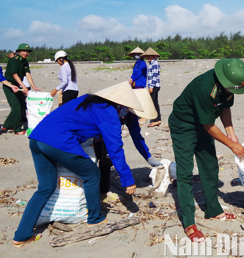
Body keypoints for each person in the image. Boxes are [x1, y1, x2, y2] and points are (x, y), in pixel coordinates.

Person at [12, 81, 151, 247]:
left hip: (36, 138)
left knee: (45, 188)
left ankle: (21, 235)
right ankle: (94, 218)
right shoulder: (108, 113)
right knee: (92, 174)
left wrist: (149, 157)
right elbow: (115, 150)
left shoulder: (90, 100)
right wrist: (127, 179)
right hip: (58, 141)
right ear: (122, 104)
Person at [169, 58, 244, 242]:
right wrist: (232, 145)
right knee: (185, 172)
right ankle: (189, 222)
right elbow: (208, 126)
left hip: (205, 122)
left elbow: (225, 108)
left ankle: (213, 210)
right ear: (224, 81)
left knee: (210, 165)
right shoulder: (205, 89)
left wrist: (232, 134)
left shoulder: (230, 85)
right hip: (184, 125)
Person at [94, 87, 162, 200]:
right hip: (95, 132)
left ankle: (103, 190)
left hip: (110, 136)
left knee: (107, 160)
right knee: (92, 159)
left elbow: (137, 138)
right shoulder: (110, 105)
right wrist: (127, 180)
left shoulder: (131, 115)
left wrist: (149, 158)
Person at [2, 43, 41, 135]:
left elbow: (28, 74)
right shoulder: (14, 60)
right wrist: (23, 86)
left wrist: (33, 86)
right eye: (24, 51)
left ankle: (7, 125)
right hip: (9, 86)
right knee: (16, 107)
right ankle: (17, 129)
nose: (26, 53)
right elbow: (14, 75)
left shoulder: (24, 61)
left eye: (27, 51)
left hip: (17, 86)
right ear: (19, 51)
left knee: (21, 105)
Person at [142, 47, 161, 127]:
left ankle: (155, 119)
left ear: (154, 56)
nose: (149, 58)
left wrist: (151, 87)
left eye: (151, 56)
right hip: (152, 86)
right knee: (155, 103)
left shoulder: (155, 64)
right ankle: (157, 119)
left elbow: (155, 77)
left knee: (152, 103)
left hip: (155, 86)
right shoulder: (151, 64)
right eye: (148, 56)